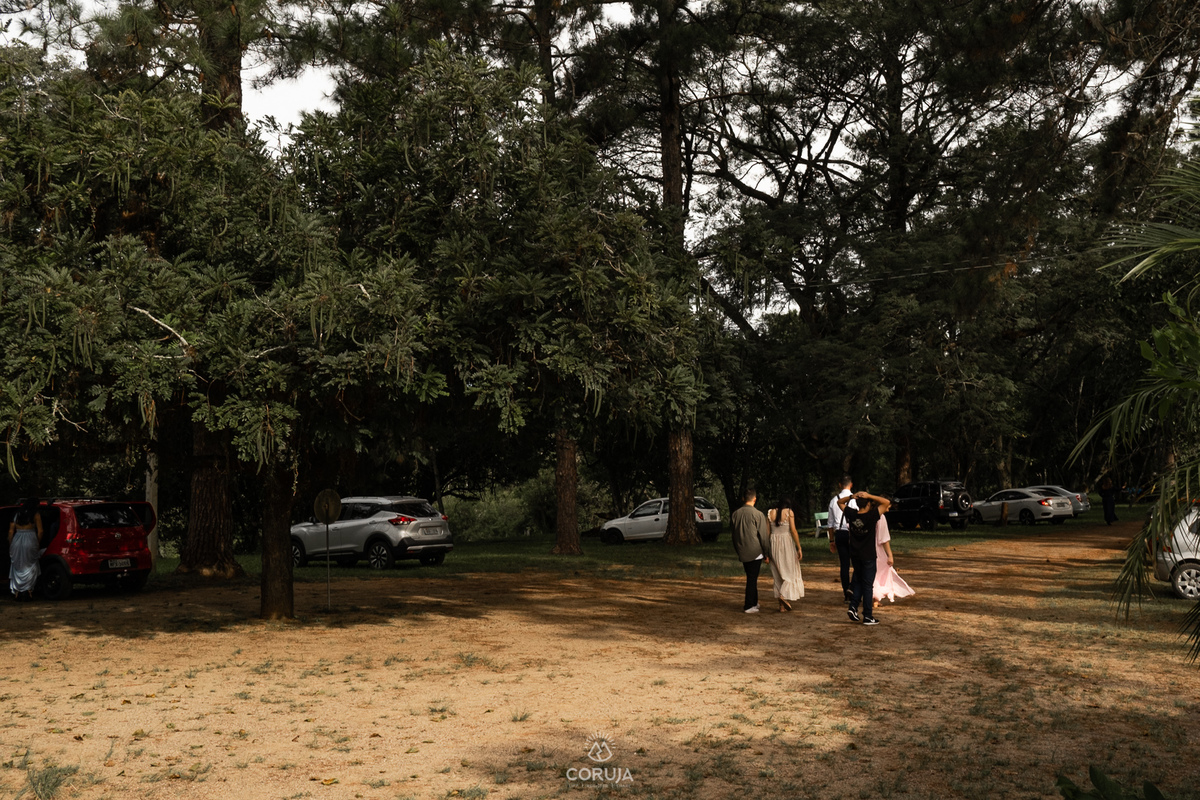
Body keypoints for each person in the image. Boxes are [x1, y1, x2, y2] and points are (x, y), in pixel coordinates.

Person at [839, 490, 890, 625]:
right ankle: (867, 615)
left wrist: (851, 496)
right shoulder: (872, 515)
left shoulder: (851, 514)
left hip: (855, 554)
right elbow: (886, 502)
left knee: (860, 582)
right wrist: (870, 496)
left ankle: (853, 607)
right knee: (867, 586)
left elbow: (840, 502)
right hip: (868, 555)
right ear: (868, 504)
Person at [731, 488, 771, 614]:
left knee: (751, 576)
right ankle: (748, 605)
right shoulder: (758, 514)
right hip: (755, 551)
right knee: (752, 579)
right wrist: (766, 553)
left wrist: (738, 549)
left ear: (743, 498)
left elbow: (734, 535)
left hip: (742, 549)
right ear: (755, 499)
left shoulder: (735, 514)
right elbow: (763, 536)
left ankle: (754, 602)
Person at [765, 498, 804, 612]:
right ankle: (783, 595)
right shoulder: (789, 512)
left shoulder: (770, 513)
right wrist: (799, 547)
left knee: (777, 574)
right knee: (789, 571)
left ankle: (781, 606)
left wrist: (766, 550)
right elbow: (793, 531)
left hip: (773, 543)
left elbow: (767, 533)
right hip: (786, 543)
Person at [873, 510, 914, 603]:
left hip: (863, 548)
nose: (888, 509)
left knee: (870, 573)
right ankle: (875, 598)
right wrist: (890, 555)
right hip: (877, 549)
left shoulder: (863, 514)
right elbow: (884, 539)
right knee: (879, 573)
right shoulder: (880, 517)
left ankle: (873, 598)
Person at [827, 476, 857, 602]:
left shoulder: (834, 500)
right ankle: (853, 588)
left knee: (844, 565)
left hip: (839, 533)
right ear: (851, 484)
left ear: (840, 485)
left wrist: (831, 540)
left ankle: (846, 593)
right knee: (857, 563)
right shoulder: (855, 500)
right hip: (853, 533)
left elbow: (830, 524)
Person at [9, 497, 44, 601]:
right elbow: (41, 531)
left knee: (18, 564)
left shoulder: (17, 514)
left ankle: (17, 591)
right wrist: (37, 542)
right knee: (30, 564)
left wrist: (11, 544)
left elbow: (11, 531)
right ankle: (28, 590)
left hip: (17, 539)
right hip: (30, 539)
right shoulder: (36, 514)